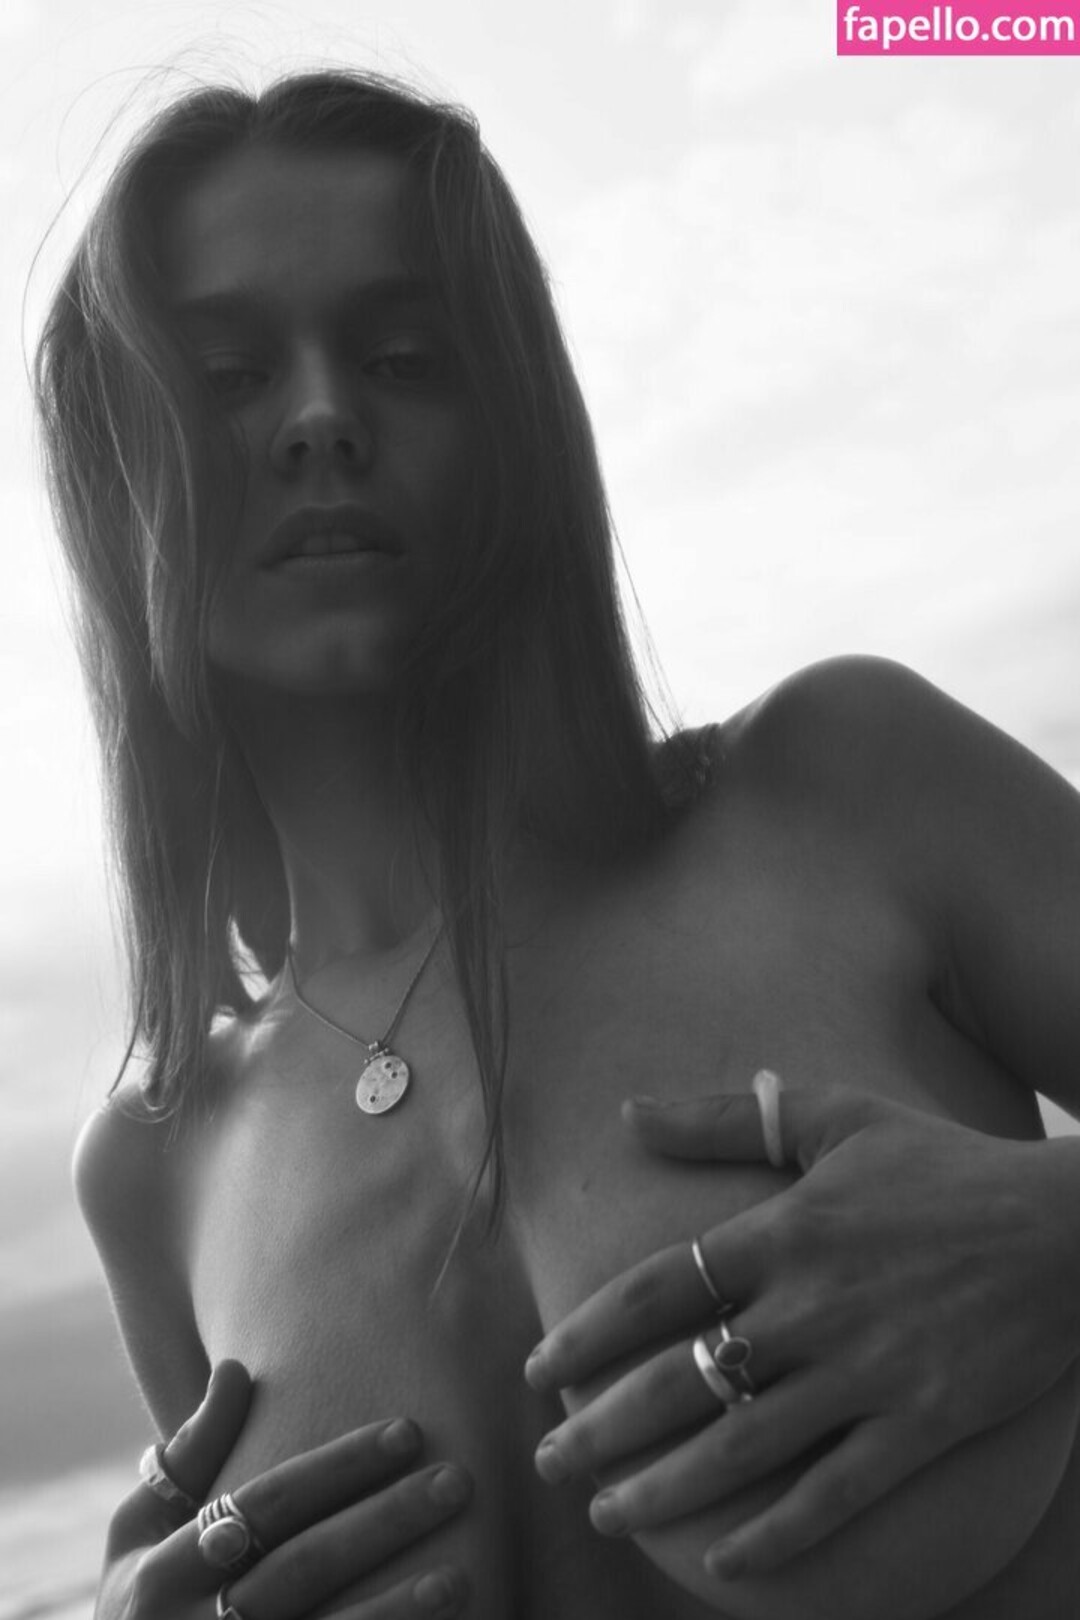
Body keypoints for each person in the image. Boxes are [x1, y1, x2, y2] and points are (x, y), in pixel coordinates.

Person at [32, 66, 1080, 1620]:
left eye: (402, 357)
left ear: (512, 416)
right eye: (230, 373)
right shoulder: (157, 1161)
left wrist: (1053, 1236)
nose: (321, 420)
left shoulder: (846, 793)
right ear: (115, 474)